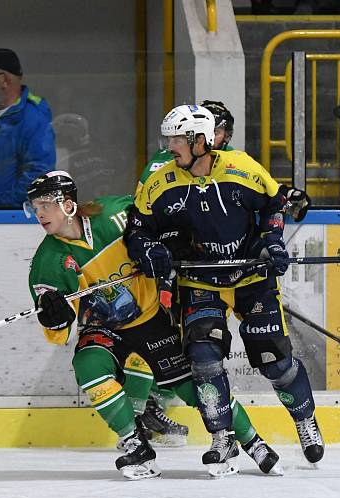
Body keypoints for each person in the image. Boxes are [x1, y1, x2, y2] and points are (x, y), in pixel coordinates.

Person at [26, 170, 283, 479]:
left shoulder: (115, 215)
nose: (39, 214)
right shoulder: (47, 262)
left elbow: (159, 221)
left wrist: (168, 246)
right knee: (88, 367)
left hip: (151, 319)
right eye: (34, 207)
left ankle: (253, 442)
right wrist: (54, 316)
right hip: (103, 329)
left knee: (196, 388)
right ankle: (136, 446)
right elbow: (60, 335)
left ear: (67, 205)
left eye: (45, 205)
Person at [124, 105, 325, 469]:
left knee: (274, 361)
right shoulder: (161, 182)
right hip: (201, 280)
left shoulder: (242, 168)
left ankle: (304, 419)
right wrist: (149, 249)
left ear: (199, 140)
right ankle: (223, 437)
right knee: (203, 358)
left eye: (176, 140)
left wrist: (272, 242)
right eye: (167, 138)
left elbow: (273, 206)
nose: (169, 147)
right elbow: (137, 228)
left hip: (251, 278)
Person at [138, 99, 312, 221]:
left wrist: (286, 195)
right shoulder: (172, 156)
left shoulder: (233, 157)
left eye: (215, 131)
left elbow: (261, 187)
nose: (208, 137)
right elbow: (143, 201)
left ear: (227, 137)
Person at [0, 48, 56, 208]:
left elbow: (39, 172)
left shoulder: (32, 118)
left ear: (4, 80)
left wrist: (1, 205)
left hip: (6, 217)